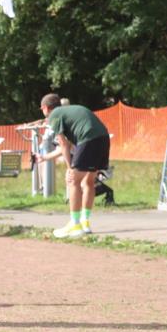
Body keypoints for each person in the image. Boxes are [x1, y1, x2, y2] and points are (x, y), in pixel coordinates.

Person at [35, 94, 111, 239]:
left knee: (72, 180)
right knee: (89, 181)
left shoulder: (54, 115)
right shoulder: (69, 113)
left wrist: (70, 168)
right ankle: (85, 221)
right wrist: (44, 157)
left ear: (45, 108)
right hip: (103, 138)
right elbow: (67, 146)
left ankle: (75, 225)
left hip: (88, 139)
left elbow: (63, 144)